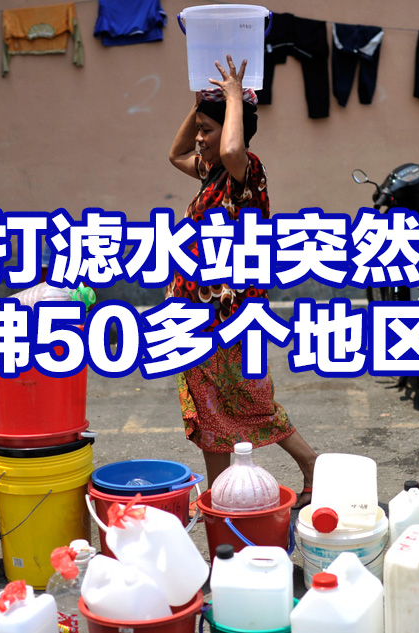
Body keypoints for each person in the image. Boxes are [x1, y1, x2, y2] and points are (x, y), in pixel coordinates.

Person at [166, 55, 318, 508]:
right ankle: (220, 499)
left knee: (251, 401)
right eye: (199, 129)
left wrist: (233, 96)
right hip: (196, 317)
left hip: (230, 317)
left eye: (207, 130)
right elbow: (175, 154)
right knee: (211, 411)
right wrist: (200, 102)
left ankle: (310, 462)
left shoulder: (244, 170)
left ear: (232, 128)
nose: (199, 138)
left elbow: (232, 148)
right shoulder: (208, 172)